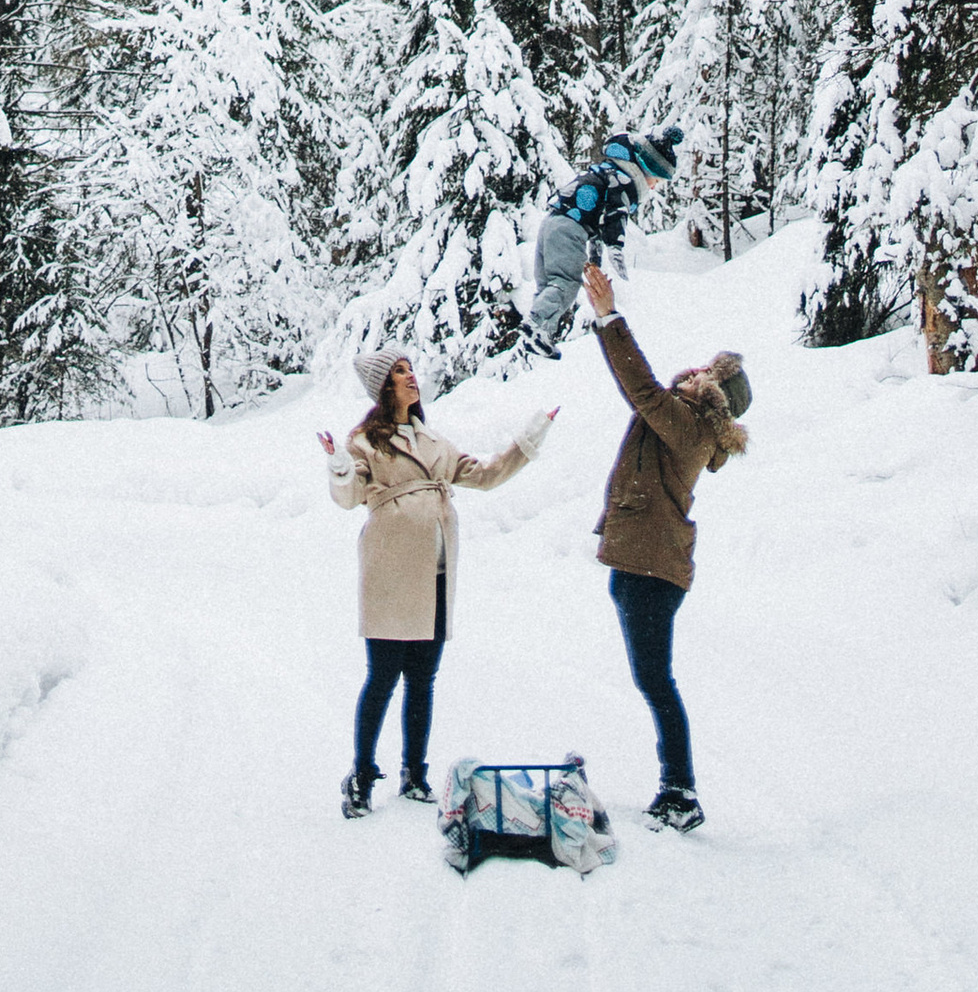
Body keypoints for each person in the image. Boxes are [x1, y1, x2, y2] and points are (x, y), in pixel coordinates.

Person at [320, 349, 554, 816]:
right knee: (383, 677)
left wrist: (529, 439)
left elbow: (484, 476)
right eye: (401, 372)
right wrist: (341, 466)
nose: (412, 378)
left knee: (423, 680)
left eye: (410, 370)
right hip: (389, 569)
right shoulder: (364, 441)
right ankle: (361, 775)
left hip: (437, 571)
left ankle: (414, 772)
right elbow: (349, 499)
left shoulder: (433, 441)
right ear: (384, 386)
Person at [581, 256, 749, 833]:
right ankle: (677, 788)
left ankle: (681, 792)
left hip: (652, 570)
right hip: (646, 567)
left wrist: (609, 320)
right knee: (654, 679)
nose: (696, 370)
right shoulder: (689, 422)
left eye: (707, 372)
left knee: (656, 681)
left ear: (714, 393)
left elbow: (644, 391)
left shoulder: (691, 425)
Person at [525, 126, 681, 356]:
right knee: (566, 283)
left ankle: (540, 335)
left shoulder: (608, 172)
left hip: (551, 222)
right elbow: (614, 217)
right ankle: (535, 324)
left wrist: (595, 259)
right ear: (646, 168)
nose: (654, 186)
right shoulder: (624, 182)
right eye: (656, 179)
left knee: (550, 284)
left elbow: (597, 222)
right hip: (570, 229)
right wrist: (615, 249)